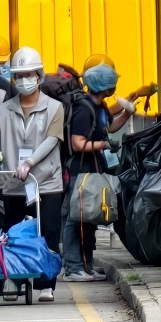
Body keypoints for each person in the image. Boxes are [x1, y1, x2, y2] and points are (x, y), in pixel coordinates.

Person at [0, 46, 64, 303]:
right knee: (13, 232)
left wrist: (30, 161)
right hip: (14, 183)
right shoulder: (5, 109)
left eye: (29, 74)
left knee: (48, 233)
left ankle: (46, 283)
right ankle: (14, 278)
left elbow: (52, 140)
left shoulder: (55, 107)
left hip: (46, 182)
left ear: (39, 76)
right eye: (19, 76)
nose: (24, 80)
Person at [62, 63, 119, 283]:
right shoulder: (83, 109)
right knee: (76, 219)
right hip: (80, 169)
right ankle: (74, 267)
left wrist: (129, 111)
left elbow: (109, 128)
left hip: (93, 170)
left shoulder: (100, 107)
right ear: (104, 85)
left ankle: (87, 263)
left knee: (90, 218)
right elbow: (78, 144)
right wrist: (102, 145)